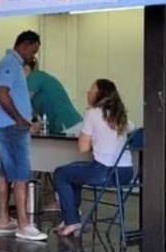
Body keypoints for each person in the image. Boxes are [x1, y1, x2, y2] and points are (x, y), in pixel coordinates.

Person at [52, 79, 135, 237]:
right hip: (126, 174)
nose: (88, 92)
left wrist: (92, 137)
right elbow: (132, 129)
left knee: (61, 173)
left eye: (91, 89)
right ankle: (71, 217)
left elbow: (83, 148)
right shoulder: (121, 115)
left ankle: (71, 220)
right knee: (73, 170)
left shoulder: (93, 113)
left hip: (104, 172)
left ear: (99, 94)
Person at [0, 30, 47, 242]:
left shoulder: (10, 64)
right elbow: (2, 93)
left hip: (7, 127)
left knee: (5, 174)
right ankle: (24, 224)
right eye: (33, 51)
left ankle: (4, 220)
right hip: (12, 129)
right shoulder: (11, 63)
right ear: (24, 45)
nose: (33, 56)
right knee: (22, 175)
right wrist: (20, 120)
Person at [24, 58, 83, 136]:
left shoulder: (34, 76)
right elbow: (33, 116)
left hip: (69, 126)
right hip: (67, 127)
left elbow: (22, 103)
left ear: (26, 69)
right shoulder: (37, 80)